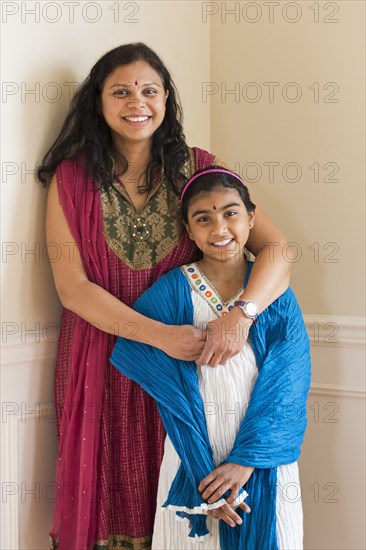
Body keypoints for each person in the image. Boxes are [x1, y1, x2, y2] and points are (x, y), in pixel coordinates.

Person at [38, 42, 293, 550]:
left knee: (188, 500)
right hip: (102, 354)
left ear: (167, 98)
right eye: (121, 91)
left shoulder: (197, 170)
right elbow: (73, 289)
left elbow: (278, 251)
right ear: (98, 103)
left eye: (149, 90)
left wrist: (242, 315)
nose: (138, 102)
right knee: (106, 495)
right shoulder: (70, 180)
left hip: (194, 360)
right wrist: (158, 337)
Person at [111, 166, 311, 550]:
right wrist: (206, 481)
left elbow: (288, 386)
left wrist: (246, 461)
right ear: (188, 230)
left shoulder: (273, 294)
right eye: (204, 218)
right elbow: (170, 399)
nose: (219, 229)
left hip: (264, 459)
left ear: (252, 218)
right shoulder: (170, 293)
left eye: (231, 213)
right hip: (192, 460)